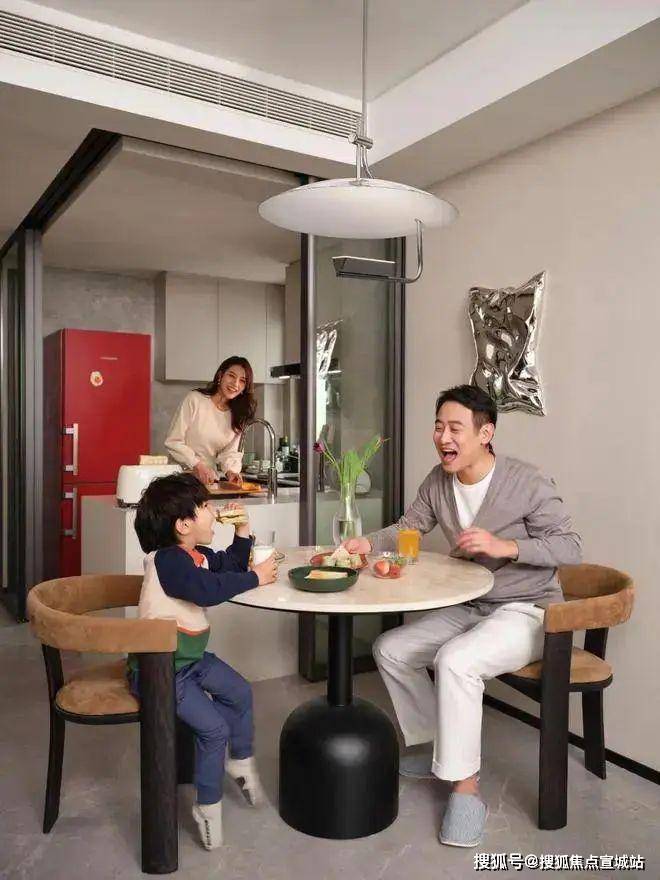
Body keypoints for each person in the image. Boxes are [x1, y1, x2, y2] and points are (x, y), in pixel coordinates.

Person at [343, 384, 581, 848]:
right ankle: (437, 744)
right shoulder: (438, 481)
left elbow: (570, 546)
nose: (443, 437)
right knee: (391, 649)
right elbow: (409, 527)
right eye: (438, 427)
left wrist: (505, 546)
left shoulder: (526, 480)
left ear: (485, 433)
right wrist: (367, 543)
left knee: (456, 661)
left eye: (455, 428)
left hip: (529, 610)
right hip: (474, 605)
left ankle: (466, 789)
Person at [130, 472, 278, 850]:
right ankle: (207, 807)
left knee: (239, 692)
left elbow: (229, 566)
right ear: (183, 525)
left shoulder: (195, 556)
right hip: (162, 670)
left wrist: (242, 531)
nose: (214, 512)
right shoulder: (169, 561)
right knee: (214, 731)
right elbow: (206, 591)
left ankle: (240, 761)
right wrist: (256, 579)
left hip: (189, 660)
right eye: (206, 507)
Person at [165, 356, 257, 486]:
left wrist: (231, 472)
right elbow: (174, 441)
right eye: (231, 376)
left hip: (209, 481)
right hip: (180, 479)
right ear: (220, 376)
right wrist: (196, 464)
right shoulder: (195, 400)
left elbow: (231, 453)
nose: (235, 384)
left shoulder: (238, 415)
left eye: (242, 381)